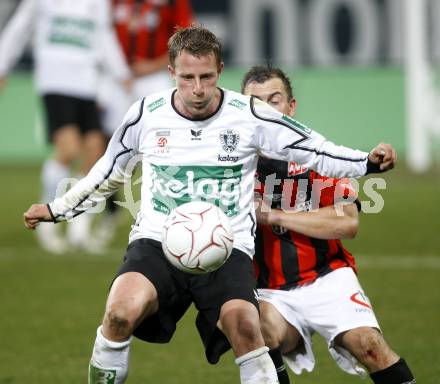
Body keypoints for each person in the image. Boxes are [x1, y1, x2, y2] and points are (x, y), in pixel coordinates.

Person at [23, 26, 397, 384]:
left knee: (248, 329)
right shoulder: (146, 113)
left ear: (220, 70)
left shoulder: (249, 114)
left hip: (228, 245)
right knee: (119, 313)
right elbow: (107, 172)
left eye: (206, 77)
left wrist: (366, 162)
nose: (197, 89)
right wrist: (58, 209)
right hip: (157, 239)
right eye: (187, 78)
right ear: (172, 72)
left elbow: (314, 148)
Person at [242, 65, 415, 384]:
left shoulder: (319, 156)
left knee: (370, 345)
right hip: (268, 290)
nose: (266, 112)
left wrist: (275, 215)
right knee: (255, 332)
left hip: (327, 277)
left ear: (291, 107)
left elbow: (347, 222)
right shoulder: (232, 165)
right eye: (256, 104)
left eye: (275, 101)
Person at [0, 0, 131, 253]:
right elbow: (19, 28)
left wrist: (120, 72)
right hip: (55, 82)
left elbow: (104, 35)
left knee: (95, 153)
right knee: (69, 149)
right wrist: (2, 67)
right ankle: (46, 216)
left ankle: (79, 227)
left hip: (87, 84)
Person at [93, 0, 194, 249]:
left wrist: (153, 65)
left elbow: (186, 40)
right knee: (109, 146)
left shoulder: (172, 2)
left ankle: (168, 212)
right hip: (117, 79)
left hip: (155, 78)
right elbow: (98, 34)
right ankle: (110, 209)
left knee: (164, 146)